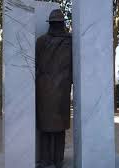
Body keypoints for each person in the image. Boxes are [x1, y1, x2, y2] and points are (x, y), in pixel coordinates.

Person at [35, 9, 72, 168]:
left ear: (50, 24)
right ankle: (57, 160)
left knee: (46, 128)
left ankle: (46, 160)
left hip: (44, 88)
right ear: (62, 24)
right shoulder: (70, 41)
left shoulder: (41, 41)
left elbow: (36, 64)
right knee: (58, 128)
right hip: (62, 88)